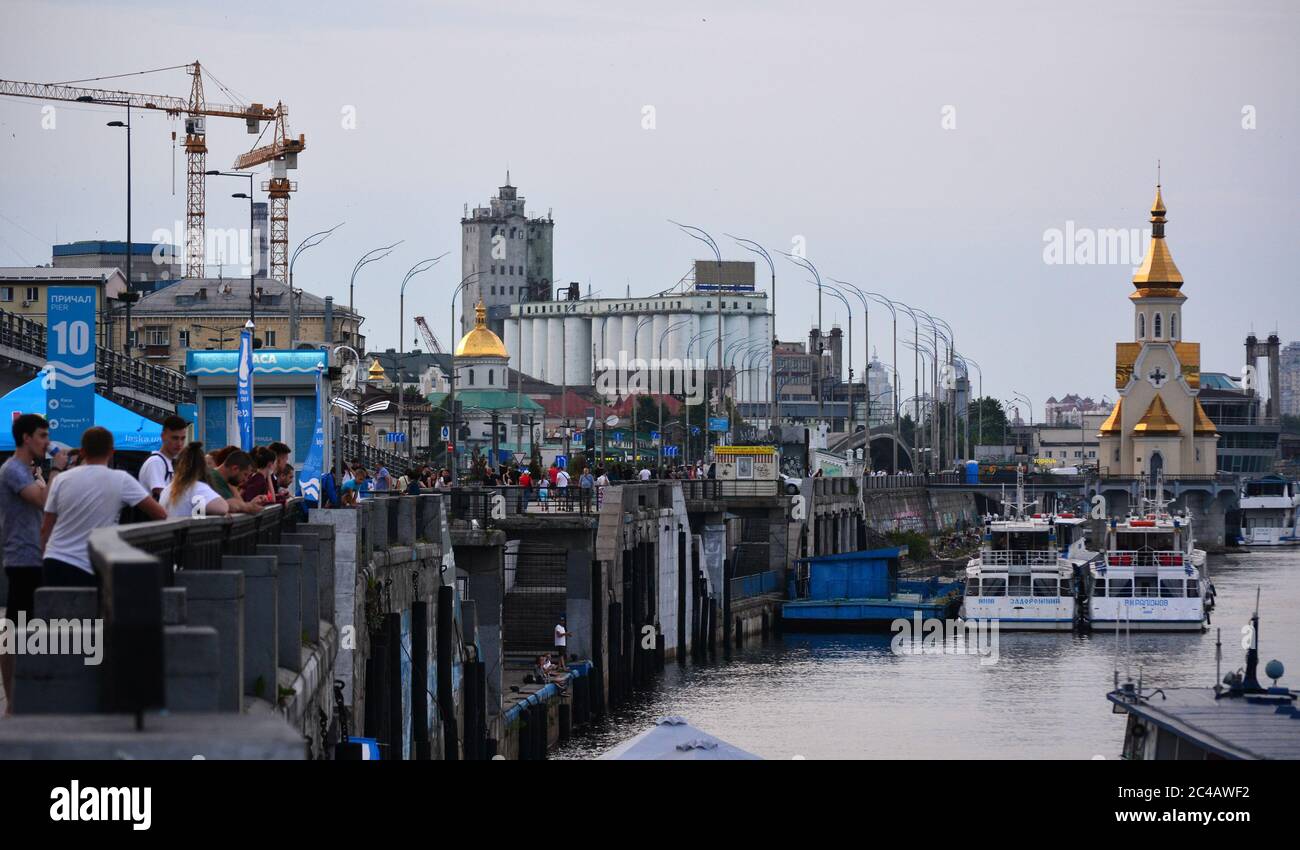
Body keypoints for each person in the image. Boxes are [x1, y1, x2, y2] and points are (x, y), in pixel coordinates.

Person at [41, 427, 166, 588]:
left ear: (82, 452)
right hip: (93, 565)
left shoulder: (62, 479)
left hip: (56, 560)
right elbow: (160, 514)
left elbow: (46, 527)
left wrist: (44, 557)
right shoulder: (121, 480)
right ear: (112, 452)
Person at [0, 414, 66, 713]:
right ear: (26, 438)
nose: (46, 442)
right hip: (22, 558)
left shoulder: (24, 470)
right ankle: (14, 700)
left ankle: (26, 695)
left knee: (33, 631)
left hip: (35, 557)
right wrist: (56, 472)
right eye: (41, 436)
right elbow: (42, 501)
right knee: (14, 632)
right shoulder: (12, 469)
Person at [160, 442, 229, 519]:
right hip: (187, 530)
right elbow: (222, 508)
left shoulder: (167, 489)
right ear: (203, 466)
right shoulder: (197, 487)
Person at [137, 414, 190, 500]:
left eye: (182, 438)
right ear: (163, 436)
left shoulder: (167, 462)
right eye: (175, 438)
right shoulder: (156, 462)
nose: (179, 443)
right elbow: (164, 497)